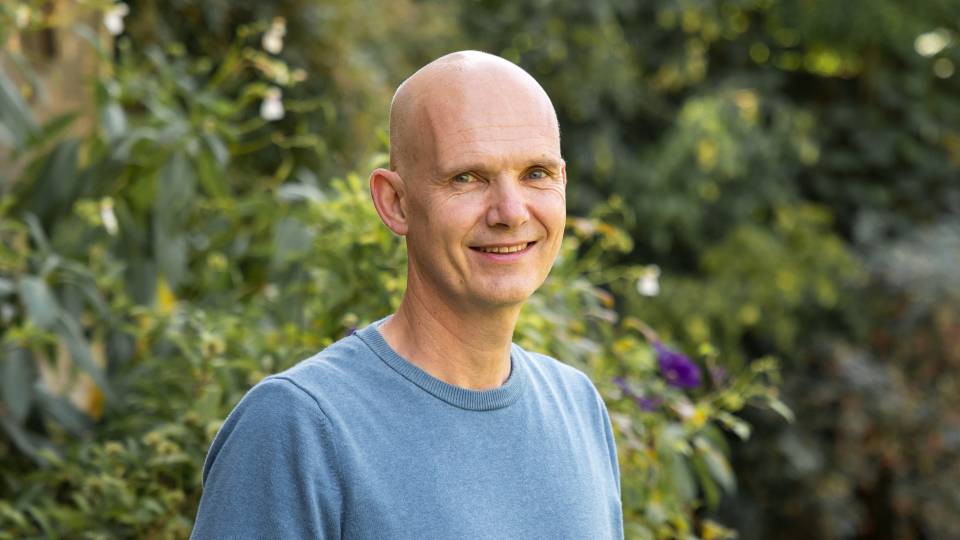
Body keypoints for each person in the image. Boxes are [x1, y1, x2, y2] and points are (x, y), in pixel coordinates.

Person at [191, 50, 624, 539]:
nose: (510, 211)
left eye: (536, 174)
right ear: (395, 202)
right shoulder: (299, 426)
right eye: (467, 178)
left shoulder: (578, 407)